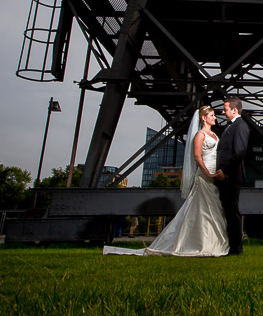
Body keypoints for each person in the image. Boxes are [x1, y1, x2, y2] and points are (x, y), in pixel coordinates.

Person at [103, 106, 229, 257]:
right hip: (204, 174)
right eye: (212, 115)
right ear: (203, 118)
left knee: (214, 208)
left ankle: (215, 242)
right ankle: (199, 242)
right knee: (201, 208)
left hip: (215, 173)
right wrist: (207, 172)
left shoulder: (214, 134)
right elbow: (197, 156)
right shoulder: (199, 135)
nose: (214, 117)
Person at [213, 96, 249, 255]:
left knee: (232, 212)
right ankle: (231, 245)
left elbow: (240, 151)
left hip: (231, 177)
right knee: (228, 211)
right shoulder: (233, 126)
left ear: (234, 110)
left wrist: (225, 172)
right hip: (226, 176)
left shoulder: (240, 126)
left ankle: (236, 248)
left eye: (225, 109)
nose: (222, 111)